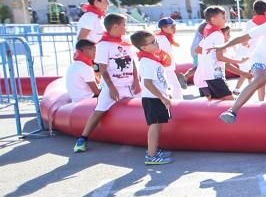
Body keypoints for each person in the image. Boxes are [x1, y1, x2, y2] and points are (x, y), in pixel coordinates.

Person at [74, 14, 140, 153]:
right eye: (124, 24)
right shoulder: (103, 45)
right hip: (114, 86)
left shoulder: (125, 42)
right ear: (115, 26)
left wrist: (136, 80)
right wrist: (111, 88)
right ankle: (83, 138)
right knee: (99, 110)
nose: (125, 27)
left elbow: (132, 62)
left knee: (148, 104)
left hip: (131, 85)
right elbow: (101, 68)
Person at [132, 30, 174, 165]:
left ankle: (154, 150)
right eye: (153, 42)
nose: (157, 43)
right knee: (154, 126)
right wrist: (162, 97)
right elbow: (147, 83)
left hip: (158, 97)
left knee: (159, 125)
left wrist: (166, 93)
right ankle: (151, 156)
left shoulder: (152, 58)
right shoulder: (146, 61)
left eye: (156, 40)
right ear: (143, 47)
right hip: (153, 99)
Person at [194, 6, 242, 100]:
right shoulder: (218, 35)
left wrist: (208, 54)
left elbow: (197, 50)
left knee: (217, 103)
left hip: (207, 75)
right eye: (223, 17)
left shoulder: (208, 35)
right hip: (214, 75)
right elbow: (220, 57)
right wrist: (238, 61)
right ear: (213, 19)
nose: (226, 19)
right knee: (230, 102)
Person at [153, 17, 185, 100]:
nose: (175, 29)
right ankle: (179, 106)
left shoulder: (164, 37)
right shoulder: (162, 39)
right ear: (164, 28)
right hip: (165, 69)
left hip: (166, 68)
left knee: (172, 88)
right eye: (172, 27)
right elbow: (160, 55)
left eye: (175, 26)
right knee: (175, 88)